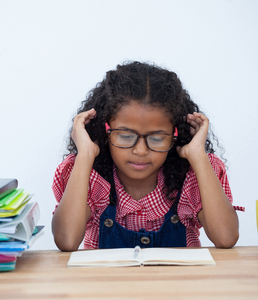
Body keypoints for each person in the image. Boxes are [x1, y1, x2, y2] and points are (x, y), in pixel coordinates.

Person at [52, 61, 244, 251]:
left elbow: (225, 237)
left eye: (157, 138)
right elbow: (67, 239)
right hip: (105, 283)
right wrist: (85, 154)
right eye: (126, 136)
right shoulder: (87, 177)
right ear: (105, 131)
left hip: (181, 283)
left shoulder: (193, 175)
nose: (141, 151)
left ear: (175, 135)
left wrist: (198, 156)